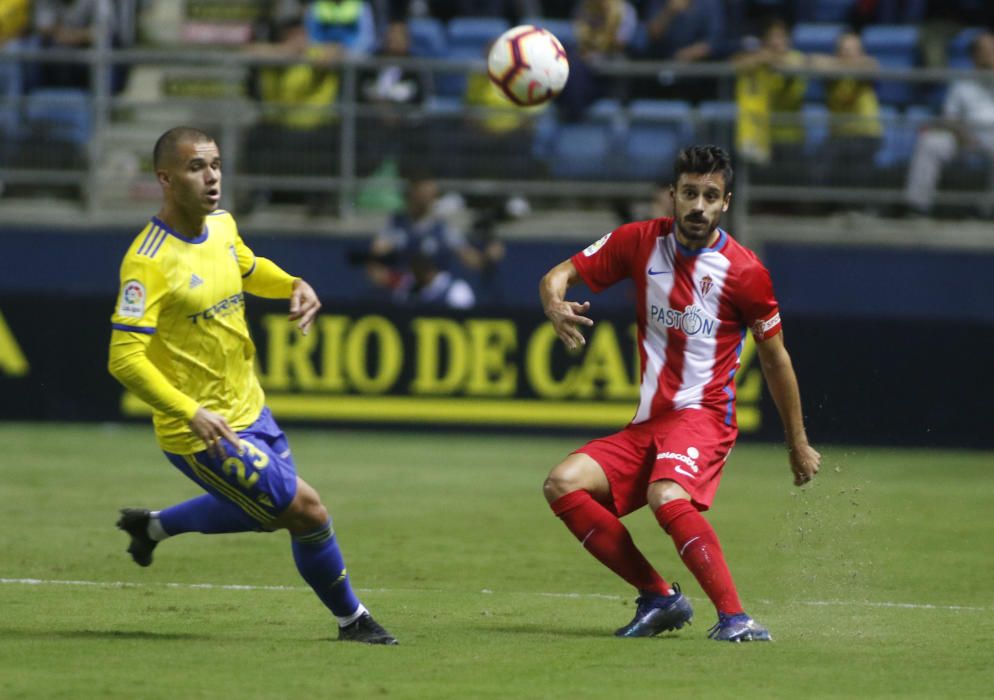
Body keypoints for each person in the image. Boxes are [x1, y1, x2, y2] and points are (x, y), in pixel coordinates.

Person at [108, 126, 397, 645]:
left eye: (216, 164)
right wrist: (189, 411)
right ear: (165, 179)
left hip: (250, 408)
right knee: (307, 512)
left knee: (267, 513)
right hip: (201, 432)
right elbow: (124, 359)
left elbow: (247, 267)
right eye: (197, 167)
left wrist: (292, 283)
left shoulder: (221, 226)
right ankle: (353, 620)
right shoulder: (147, 260)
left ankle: (151, 527)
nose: (212, 176)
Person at [539, 145, 821, 642]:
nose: (698, 206)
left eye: (710, 196)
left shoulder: (745, 272)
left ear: (725, 202)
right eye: (689, 193)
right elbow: (557, 275)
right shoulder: (640, 242)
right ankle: (660, 598)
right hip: (649, 422)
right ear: (673, 195)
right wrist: (554, 303)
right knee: (562, 483)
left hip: (703, 417)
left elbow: (777, 359)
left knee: (664, 493)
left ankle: (736, 618)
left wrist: (796, 441)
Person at [904, 31, 994, 217]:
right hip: (966, 138)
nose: (990, 53)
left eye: (992, 49)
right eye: (985, 50)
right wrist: (963, 135)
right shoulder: (962, 83)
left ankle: (989, 211)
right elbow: (950, 117)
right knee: (931, 142)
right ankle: (917, 206)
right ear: (974, 55)